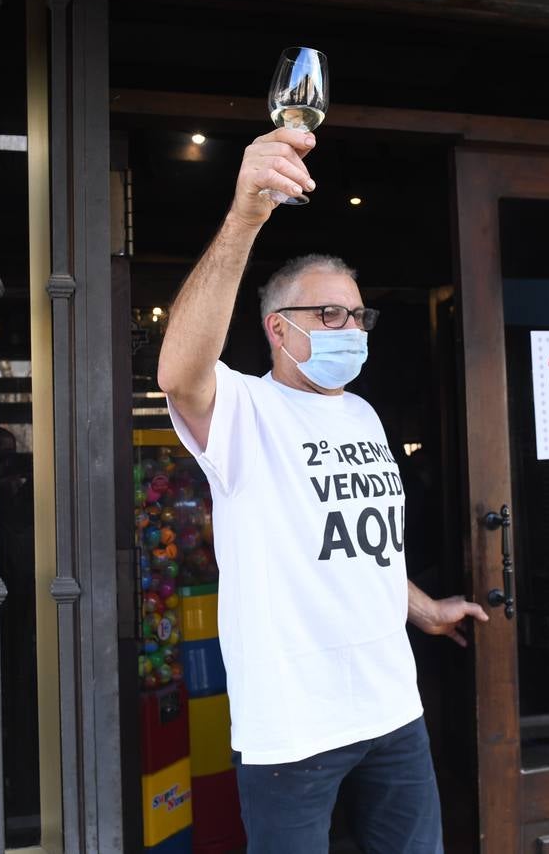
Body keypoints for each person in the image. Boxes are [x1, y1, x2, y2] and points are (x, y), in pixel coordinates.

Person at [158, 127, 489, 854]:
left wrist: (424, 607)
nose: (351, 328)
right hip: (293, 729)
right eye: (328, 315)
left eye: (357, 314)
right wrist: (246, 214)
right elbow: (180, 372)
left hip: (391, 709)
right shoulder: (244, 409)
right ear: (278, 329)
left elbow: (354, 549)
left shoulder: (363, 413)